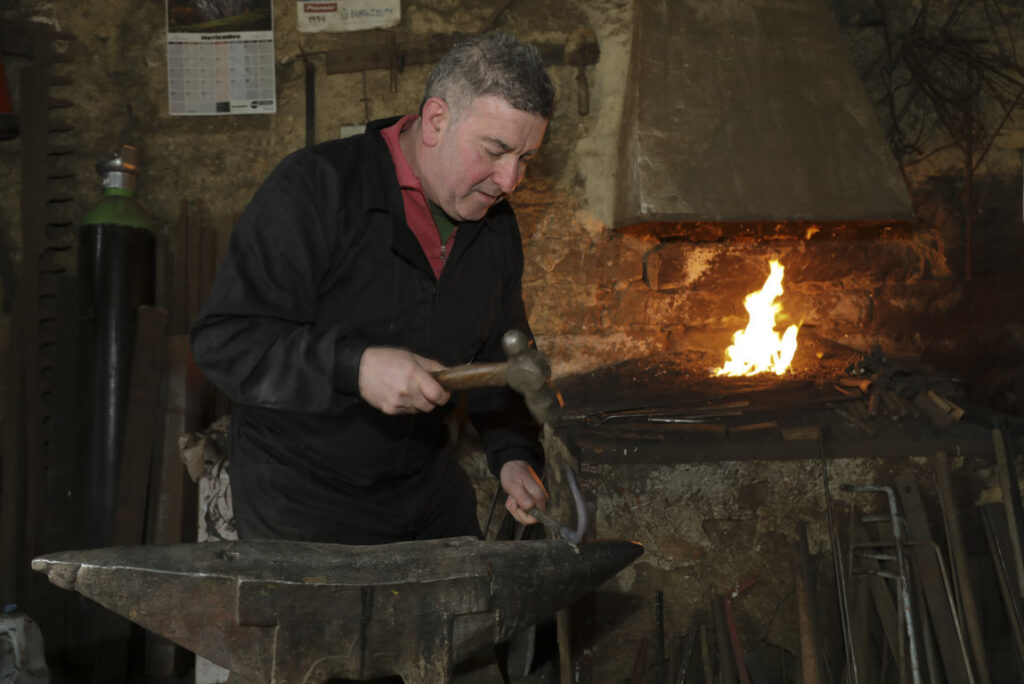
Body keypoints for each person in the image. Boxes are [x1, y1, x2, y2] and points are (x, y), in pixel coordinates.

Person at [190, 32, 553, 545]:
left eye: (527, 159)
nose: (510, 180)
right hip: (299, 501)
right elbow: (227, 340)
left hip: (422, 493)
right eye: (495, 151)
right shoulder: (314, 189)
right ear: (435, 121)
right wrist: (354, 367)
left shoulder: (495, 230)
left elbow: (501, 356)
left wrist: (514, 455)